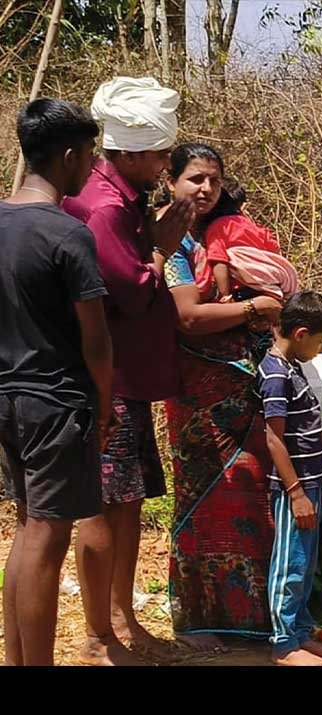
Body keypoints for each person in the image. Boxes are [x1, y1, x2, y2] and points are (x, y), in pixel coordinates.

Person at [62, 76, 192, 660]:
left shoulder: (127, 200)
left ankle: (122, 619)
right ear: (133, 153)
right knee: (103, 503)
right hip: (106, 381)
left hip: (130, 379)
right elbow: (132, 291)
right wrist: (163, 244)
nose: (167, 164)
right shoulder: (105, 207)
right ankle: (98, 636)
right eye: (162, 154)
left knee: (129, 502)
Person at [0, 99, 124, 665]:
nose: (92, 168)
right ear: (70, 156)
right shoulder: (68, 234)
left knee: (28, 533)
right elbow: (95, 340)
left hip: (6, 399)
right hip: (56, 403)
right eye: (90, 155)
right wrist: (103, 403)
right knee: (48, 539)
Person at [160, 143, 283, 651]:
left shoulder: (227, 232)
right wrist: (255, 306)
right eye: (193, 178)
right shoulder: (168, 245)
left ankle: (253, 618)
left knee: (253, 493)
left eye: (213, 179)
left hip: (245, 387)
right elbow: (187, 316)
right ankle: (198, 621)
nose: (204, 188)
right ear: (171, 183)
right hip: (197, 395)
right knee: (203, 497)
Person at [257, 292, 322, 665]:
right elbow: (274, 438)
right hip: (294, 488)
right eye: (321, 342)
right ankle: (283, 645)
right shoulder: (277, 374)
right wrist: (295, 492)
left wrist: (316, 486)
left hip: (312, 484)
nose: (321, 351)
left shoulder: (293, 367)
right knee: (289, 564)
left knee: (306, 564)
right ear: (300, 333)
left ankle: (300, 633)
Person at [200, 176, 299, 303]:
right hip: (270, 290)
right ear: (240, 205)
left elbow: (219, 261)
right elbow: (274, 251)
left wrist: (225, 296)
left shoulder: (217, 228)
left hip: (242, 293)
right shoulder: (255, 226)